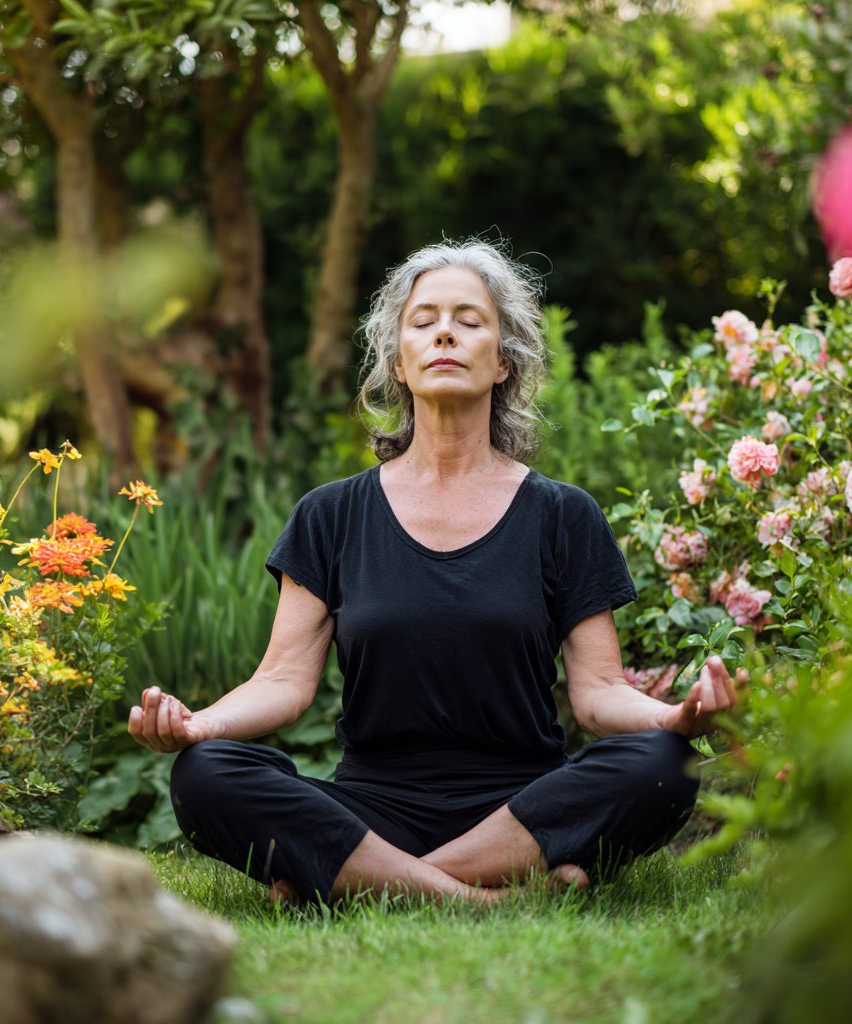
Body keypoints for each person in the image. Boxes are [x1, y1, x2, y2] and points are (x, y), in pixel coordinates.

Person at [128, 240, 741, 906]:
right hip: (371, 809)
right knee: (207, 773)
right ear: (398, 361)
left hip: (520, 808)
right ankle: (487, 895)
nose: (445, 330)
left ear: (505, 361)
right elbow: (282, 682)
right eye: (423, 320)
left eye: (469, 319)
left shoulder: (564, 515)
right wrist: (200, 728)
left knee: (663, 764)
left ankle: (353, 881)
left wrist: (674, 718)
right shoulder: (330, 514)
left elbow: (596, 694)